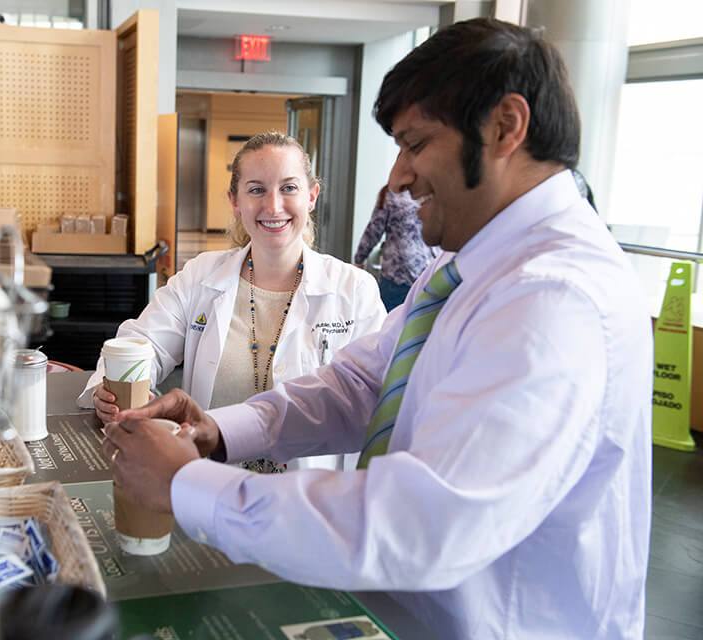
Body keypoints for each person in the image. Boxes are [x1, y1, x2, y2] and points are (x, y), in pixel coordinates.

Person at [102, 18, 652, 640]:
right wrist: (219, 432)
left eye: (416, 144)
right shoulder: (470, 262)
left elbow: (419, 523)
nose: (398, 178)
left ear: (505, 127)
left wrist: (187, 484)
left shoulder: (553, 299)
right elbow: (363, 382)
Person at [80, 132, 386, 473]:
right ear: (235, 200)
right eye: (256, 189)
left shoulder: (354, 290)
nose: (273, 206)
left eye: (289, 188)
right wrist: (109, 389)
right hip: (209, 490)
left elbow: (377, 400)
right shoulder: (201, 276)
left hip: (306, 503)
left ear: (312, 196)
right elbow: (143, 343)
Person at [353, 183, 438, 310]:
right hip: (415, 276)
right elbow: (373, 231)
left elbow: (373, 231)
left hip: (404, 276)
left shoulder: (392, 194)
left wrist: (359, 260)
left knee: (388, 323)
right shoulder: (431, 192)